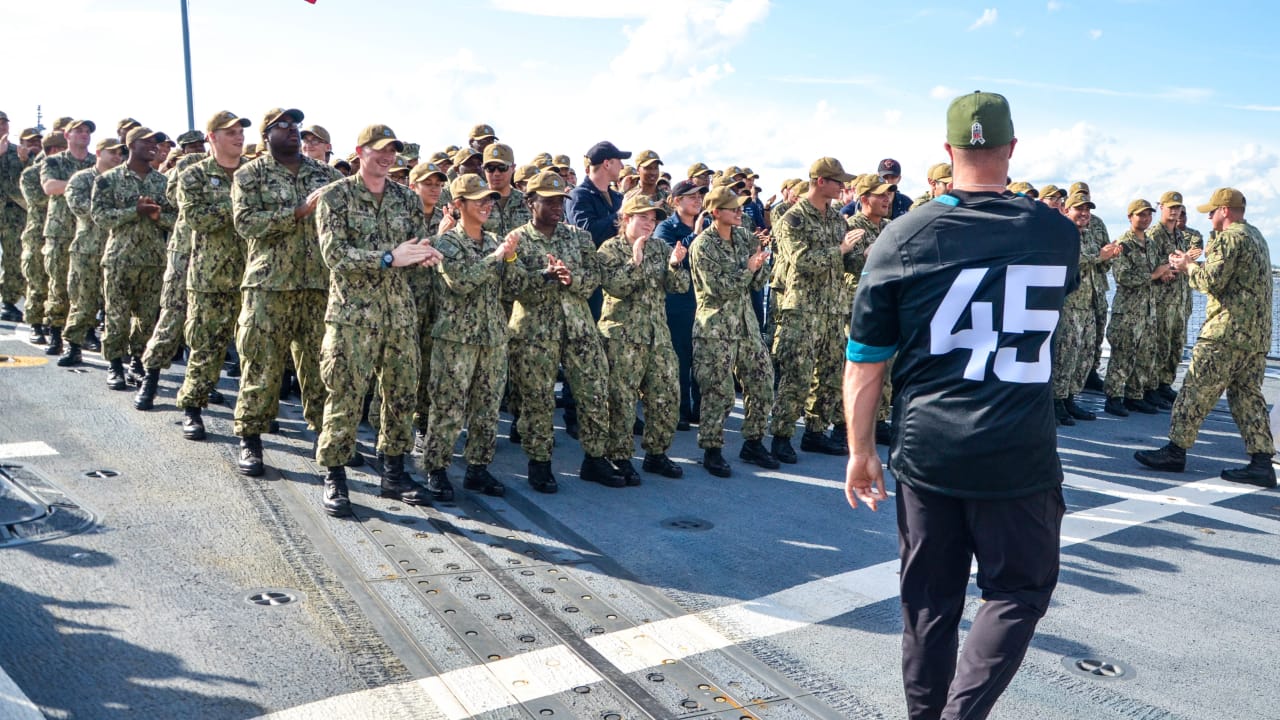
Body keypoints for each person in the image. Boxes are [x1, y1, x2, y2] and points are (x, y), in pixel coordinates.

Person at [844, 90, 1076, 720]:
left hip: (931, 449)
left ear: (948, 152)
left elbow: (866, 361)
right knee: (1018, 592)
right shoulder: (1057, 234)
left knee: (927, 604)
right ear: (1012, 148)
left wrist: (861, 451)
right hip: (1017, 449)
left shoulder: (902, 235)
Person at [314, 124, 443, 517]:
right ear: (360, 151)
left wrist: (426, 254)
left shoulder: (406, 199)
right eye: (380, 150)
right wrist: (388, 257)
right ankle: (335, 474)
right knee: (345, 395)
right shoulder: (335, 196)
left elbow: (416, 244)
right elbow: (334, 255)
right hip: (353, 316)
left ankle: (394, 471)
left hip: (399, 315)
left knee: (401, 395)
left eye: (393, 152)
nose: (388, 157)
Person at [1135, 188, 1276, 487]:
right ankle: (1262, 462)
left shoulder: (1228, 238)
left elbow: (1211, 281)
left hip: (1225, 334)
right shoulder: (1257, 237)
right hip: (1256, 337)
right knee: (1248, 398)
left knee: (1194, 391)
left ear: (1225, 210)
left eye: (1212, 211)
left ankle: (1175, 451)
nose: (1209, 216)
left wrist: (1187, 266)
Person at [230, 108, 343, 476]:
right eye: (283, 126)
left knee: (321, 368)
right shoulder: (251, 174)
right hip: (269, 286)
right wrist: (294, 213)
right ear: (266, 135)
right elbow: (245, 222)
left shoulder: (325, 176)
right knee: (262, 367)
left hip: (317, 287)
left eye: (295, 126)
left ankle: (325, 439)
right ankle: (250, 438)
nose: (292, 131)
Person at [506, 170, 622, 492]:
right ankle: (540, 463)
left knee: (594, 391)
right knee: (538, 399)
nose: (558, 206)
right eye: (550, 200)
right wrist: (545, 275)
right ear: (531, 202)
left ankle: (595, 458)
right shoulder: (517, 240)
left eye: (561, 201)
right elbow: (511, 286)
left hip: (579, 329)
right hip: (534, 332)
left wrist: (572, 279)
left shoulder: (579, 238)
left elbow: (593, 278)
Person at [421, 173, 523, 499]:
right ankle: (436, 468)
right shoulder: (446, 243)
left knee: (488, 408)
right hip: (455, 339)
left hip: (493, 336)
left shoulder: (495, 241)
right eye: (479, 200)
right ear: (458, 205)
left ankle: (478, 467)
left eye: (490, 199)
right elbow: (460, 282)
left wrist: (517, 261)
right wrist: (496, 258)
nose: (487, 205)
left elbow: (513, 286)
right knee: (449, 407)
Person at [768, 157, 861, 464]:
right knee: (797, 375)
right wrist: (841, 250)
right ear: (821, 182)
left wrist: (863, 254)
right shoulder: (793, 218)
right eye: (837, 181)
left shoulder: (836, 219)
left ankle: (815, 431)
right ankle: (781, 436)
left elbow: (847, 261)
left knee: (831, 374)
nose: (842, 186)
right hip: (803, 311)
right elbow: (802, 261)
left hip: (833, 309)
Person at [596, 194, 690, 484]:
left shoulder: (660, 248)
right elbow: (616, 287)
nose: (650, 224)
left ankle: (656, 453)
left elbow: (680, 287)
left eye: (653, 219)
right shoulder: (609, 250)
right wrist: (634, 261)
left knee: (666, 396)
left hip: (657, 336)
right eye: (643, 218)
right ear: (626, 218)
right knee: (621, 401)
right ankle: (620, 456)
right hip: (623, 336)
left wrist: (675, 264)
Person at [171, 111, 253, 439]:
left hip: (253, 276)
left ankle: (252, 418)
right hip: (211, 277)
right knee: (205, 348)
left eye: (240, 131)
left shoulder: (255, 172)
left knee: (253, 352)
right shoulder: (194, 175)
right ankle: (192, 407)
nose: (238, 137)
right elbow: (197, 218)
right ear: (212, 137)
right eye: (230, 131)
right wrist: (240, 207)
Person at [688, 186, 777, 476]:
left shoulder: (743, 237)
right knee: (719, 390)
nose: (740, 212)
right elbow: (718, 289)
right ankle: (712, 449)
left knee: (763, 381)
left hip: (745, 324)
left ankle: (753, 441)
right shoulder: (703, 245)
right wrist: (749, 268)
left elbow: (756, 283)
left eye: (740, 208)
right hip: (716, 327)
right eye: (733, 208)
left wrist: (761, 260)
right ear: (715, 212)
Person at [90, 127, 176, 391]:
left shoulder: (162, 182)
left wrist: (157, 216)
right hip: (120, 259)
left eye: (156, 143)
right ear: (131, 145)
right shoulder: (108, 180)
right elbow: (100, 216)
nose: (154, 146)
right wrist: (133, 210)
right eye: (148, 142)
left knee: (147, 319)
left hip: (153, 261)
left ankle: (138, 362)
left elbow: (177, 219)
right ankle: (115, 365)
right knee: (116, 317)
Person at [132, 136, 209, 410]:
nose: (198, 149)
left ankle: (198, 389)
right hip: (186, 252)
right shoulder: (189, 165)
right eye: (193, 145)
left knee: (206, 330)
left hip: (220, 260)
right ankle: (149, 380)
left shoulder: (243, 169)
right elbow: (174, 202)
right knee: (171, 319)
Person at [1051, 192, 1121, 424]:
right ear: (1067, 210)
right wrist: (1099, 256)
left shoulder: (1090, 235)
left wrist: (1109, 256)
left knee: (1084, 354)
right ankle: (1056, 401)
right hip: (1069, 304)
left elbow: (1100, 267)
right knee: (1065, 354)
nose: (1084, 214)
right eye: (1078, 209)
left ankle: (1071, 397)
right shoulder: (1062, 233)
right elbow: (1072, 259)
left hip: (1089, 303)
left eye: (1087, 210)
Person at [58, 137, 125, 366]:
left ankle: (116, 352)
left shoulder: (124, 179)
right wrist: (120, 212)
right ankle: (73, 345)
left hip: (117, 250)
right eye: (112, 152)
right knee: (82, 300)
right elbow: (81, 208)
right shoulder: (82, 179)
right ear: (98, 152)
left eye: (120, 153)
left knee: (116, 303)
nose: (117, 156)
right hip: (87, 249)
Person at [1103, 199, 1170, 417]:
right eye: (1141, 215)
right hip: (1128, 311)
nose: (1145, 218)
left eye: (1148, 215)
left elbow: (1157, 271)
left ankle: (1135, 395)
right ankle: (1114, 397)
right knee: (1123, 354)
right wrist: (1154, 275)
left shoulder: (1150, 243)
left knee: (1145, 355)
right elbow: (1123, 277)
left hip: (1148, 309)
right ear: (1130, 217)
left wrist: (1164, 274)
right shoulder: (1125, 243)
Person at [40, 119, 97, 356]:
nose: (84, 135)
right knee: (59, 284)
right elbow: (50, 186)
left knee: (88, 285)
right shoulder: (54, 161)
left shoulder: (96, 162)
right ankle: (55, 332)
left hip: (88, 232)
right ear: (67, 135)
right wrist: (80, 186)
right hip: (60, 231)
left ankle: (87, 331)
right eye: (79, 131)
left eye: (87, 132)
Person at [654, 180, 707, 430]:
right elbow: (671, 260)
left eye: (699, 196)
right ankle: (681, 410)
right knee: (680, 359)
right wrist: (694, 236)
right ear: (677, 201)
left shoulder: (707, 226)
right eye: (691, 197)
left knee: (702, 358)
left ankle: (701, 408)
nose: (697, 200)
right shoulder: (666, 227)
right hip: (678, 302)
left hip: (702, 300)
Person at [406, 160, 448, 451]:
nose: (434, 189)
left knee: (431, 371)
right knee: (403, 370)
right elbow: (409, 254)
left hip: (437, 305)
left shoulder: (448, 217)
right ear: (413, 186)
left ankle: (422, 426)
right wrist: (440, 236)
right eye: (428, 184)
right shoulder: (404, 217)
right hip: (408, 303)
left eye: (438, 184)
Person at [566, 140, 628, 318]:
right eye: (619, 161)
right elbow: (587, 233)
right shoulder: (578, 196)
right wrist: (620, 215)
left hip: (617, 277)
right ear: (607, 164)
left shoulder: (617, 197)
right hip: (592, 281)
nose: (623, 166)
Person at [1149, 191, 1201, 402]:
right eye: (1170, 207)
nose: (1174, 211)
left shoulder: (1179, 235)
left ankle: (1164, 384)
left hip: (1179, 300)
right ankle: (1150, 386)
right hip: (1161, 300)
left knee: (1175, 345)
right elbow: (1149, 268)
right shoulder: (1154, 235)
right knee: (1158, 345)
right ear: (1161, 207)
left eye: (1178, 207)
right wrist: (1165, 269)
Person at [20, 132, 64, 344]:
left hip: (62, 232)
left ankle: (55, 323)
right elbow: (38, 200)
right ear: (54, 150)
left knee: (60, 283)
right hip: (38, 233)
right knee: (38, 281)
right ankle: (36, 325)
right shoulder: (31, 174)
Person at [0, 112, 33, 322]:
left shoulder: (17, 152)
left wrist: (24, 161)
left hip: (12, 213)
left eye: (4, 123)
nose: (2, 127)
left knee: (13, 258)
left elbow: (28, 181)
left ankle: (9, 302)